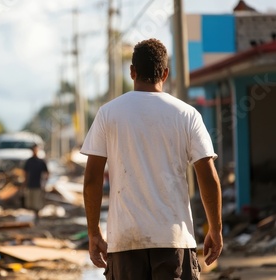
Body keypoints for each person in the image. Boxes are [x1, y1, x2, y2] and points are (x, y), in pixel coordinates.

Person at [81, 38, 223, 279]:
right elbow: (208, 177)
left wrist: (94, 233)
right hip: (174, 242)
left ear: (132, 72)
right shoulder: (188, 115)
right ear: (165, 73)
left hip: (125, 242)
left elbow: (92, 179)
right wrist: (216, 230)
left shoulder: (108, 113)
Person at [23, 144, 49, 224]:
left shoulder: (41, 162)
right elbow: (26, 174)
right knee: (31, 203)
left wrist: (44, 182)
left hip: (38, 184)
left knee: (37, 202)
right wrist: (24, 184)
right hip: (30, 184)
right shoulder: (29, 161)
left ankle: (37, 216)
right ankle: (34, 216)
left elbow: (47, 173)